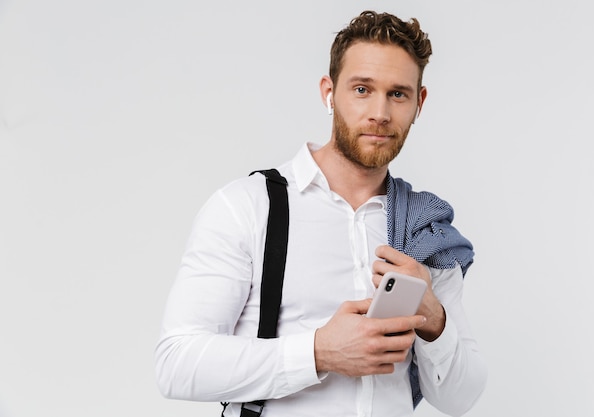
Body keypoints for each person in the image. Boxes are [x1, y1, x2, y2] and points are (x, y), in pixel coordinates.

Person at [155, 10, 487, 417]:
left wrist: (434, 319)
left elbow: (462, 398)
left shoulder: (424, 231)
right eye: (362, 89)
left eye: (398, 94)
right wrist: (317, 353)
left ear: (419, 103)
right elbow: (177, 363)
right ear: (329, 93)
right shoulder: (247, 207)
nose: (380, 112)